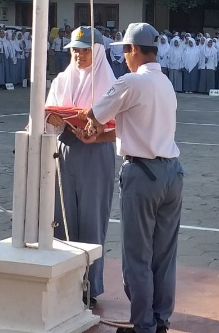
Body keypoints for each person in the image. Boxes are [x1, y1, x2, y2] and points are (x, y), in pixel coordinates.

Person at [83, 22, 184, 333]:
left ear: (135, 50)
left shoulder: (131, 82)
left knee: (137, 256)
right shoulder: (165, 83)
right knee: (164, 255)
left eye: (126, 50)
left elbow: (94, 115)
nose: (124, 57)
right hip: (172, 172)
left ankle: (143, 324)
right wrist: (101, 133)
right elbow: (137, 127)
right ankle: (160, 318)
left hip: (143, 174)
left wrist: (91, 127)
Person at [45, 26, 116, 310]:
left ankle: (90, 286)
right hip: (65, 149)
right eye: (75, 49)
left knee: (91, 219)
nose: (79, 55)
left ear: (97, 51)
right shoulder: (62, 79)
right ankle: (64, 282)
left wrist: (94, 127)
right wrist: (52, 117)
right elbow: (48, 113)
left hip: (96, 152)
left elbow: (116, 122)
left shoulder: (109, 83)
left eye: (85, 49)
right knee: (61, 218)